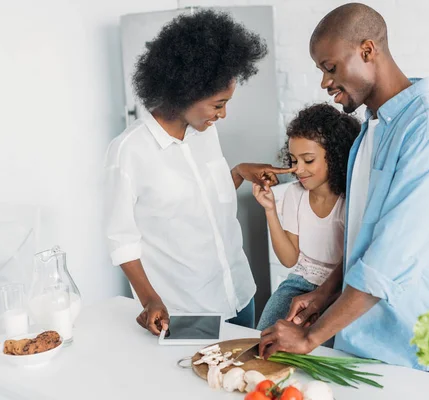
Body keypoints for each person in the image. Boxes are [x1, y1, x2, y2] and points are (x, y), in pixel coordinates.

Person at [259, 3, 429, 370]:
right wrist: (323, 294)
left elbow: (389, 259)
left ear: (367, 51)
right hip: (365, 342)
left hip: (418, 353)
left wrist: (310, 336)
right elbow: (366, 240)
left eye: (330, 68)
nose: (325, 82)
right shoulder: (371, 130)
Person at [104, 10, 294, 335]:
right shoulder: (129, 151)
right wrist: (149, 300)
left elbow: (201, 202)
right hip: (188, 311)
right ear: (185, 92)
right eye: (218, 104)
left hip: (240, 295)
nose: (223, 114)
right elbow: (122, 240)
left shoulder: (206, 132)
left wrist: (238, 173)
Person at [253, 103, 359, 331]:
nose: (298, 170)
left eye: (308, 160)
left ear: (335, 156)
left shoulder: (350, 200)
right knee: (264, 335)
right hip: (300, 283)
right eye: (293, 160)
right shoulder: (294, 194)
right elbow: (289, 259)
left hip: (339, 290)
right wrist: (270, 210)